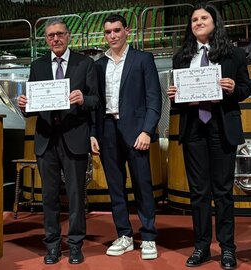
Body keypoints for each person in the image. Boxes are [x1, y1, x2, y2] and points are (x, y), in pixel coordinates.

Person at [167, 3, 251, 269]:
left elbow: (246, 89)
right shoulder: (181, 57)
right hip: (194, 128)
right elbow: (178, 103)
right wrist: (175, 96)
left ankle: (227, 248)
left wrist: (233, 87)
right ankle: (201, 247)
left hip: (221, 126)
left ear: (215, 23)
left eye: (204, 18)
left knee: (223, 192)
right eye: (194, 19)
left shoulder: (234, 55)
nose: (198, 22)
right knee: (199, 193)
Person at [17, 18, 99, 265]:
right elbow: (32, 107)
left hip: (74, 138)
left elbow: (97, 100)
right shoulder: (37, 65)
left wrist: (83, 98)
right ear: (46, 39)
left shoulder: (84, 64)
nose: (56, 39)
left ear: (68, 36)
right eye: (51, 35)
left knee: (75, 196)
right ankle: (52, 245)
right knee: (49, 197)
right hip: (45, 140)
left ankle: (75, 245)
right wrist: (24, 106)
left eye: (60, 34)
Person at [90, 14, 162, 260]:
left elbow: (154, 99)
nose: (112, 35)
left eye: (117, 30)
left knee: (142, 185)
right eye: (108, 32)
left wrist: (147, 131)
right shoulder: (99, 65)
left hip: (136, 131)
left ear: (127, 31)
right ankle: (124, 235)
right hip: (107, 129)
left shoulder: (143, 59)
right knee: (115, 187)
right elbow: (96, 104)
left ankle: (149, 236)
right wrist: (93, 133)